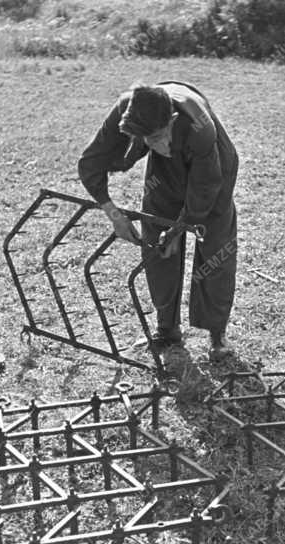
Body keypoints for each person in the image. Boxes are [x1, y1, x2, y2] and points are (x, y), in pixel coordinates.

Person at [78, 81, 239, 362]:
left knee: (214, 242)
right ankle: (167, 330)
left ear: (172, 121)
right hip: (165, 170)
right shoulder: (125, 114)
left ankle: (217, 334)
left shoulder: (201, 130)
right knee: (157, 241)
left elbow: (203, 191)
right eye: (149, 140)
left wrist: (179, 230)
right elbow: (90, 163)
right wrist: (115, 216)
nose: (158, 145)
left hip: (214, 165)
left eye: (160, 136)